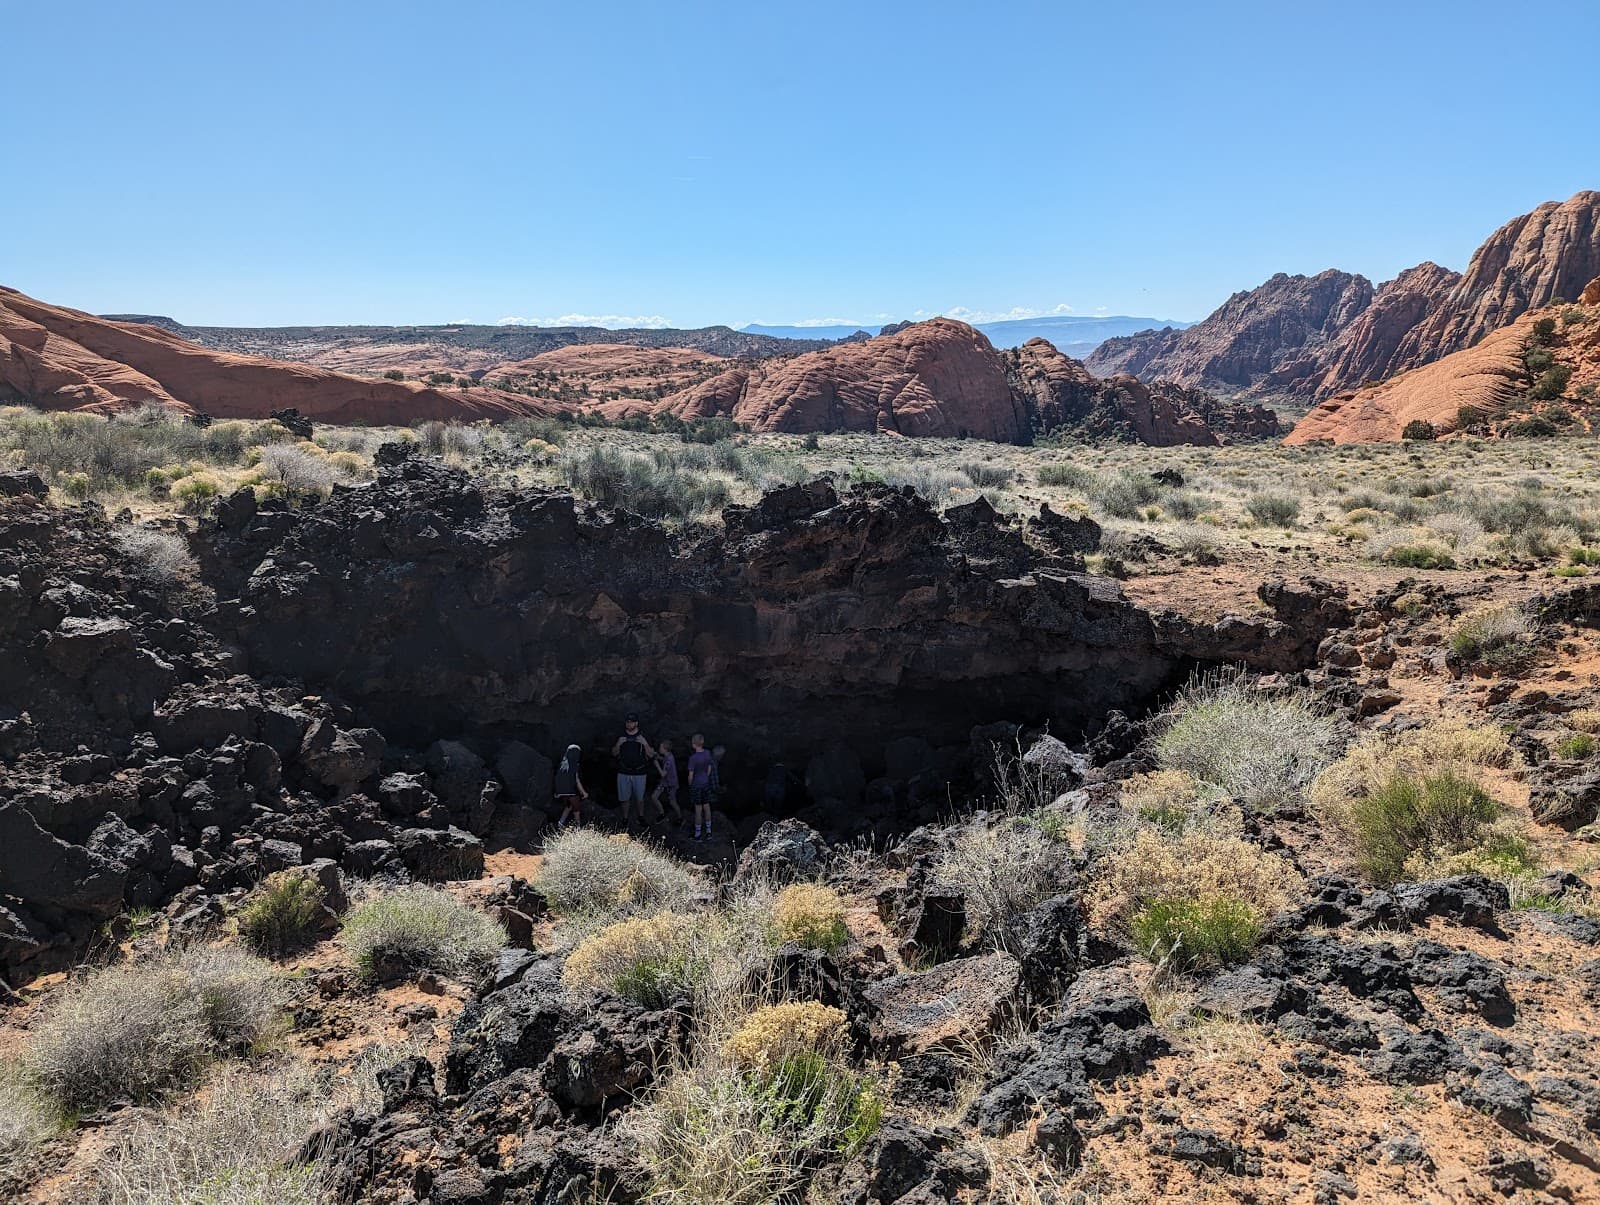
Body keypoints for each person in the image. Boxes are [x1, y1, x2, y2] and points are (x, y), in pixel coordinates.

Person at [612, 713, 655, 829]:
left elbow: (651, 755)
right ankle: (625, 818)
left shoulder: (644, 736)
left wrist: (644, 743)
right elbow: (614, 753)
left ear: (636, 723)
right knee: (624, 798)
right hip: (623, 771)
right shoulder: (620, 735)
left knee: (639, 798)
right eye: (627, 721)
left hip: (640, 772)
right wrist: (618, 744)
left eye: (631, 721)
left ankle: (641, 817)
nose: (629, 723)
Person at [686, 733, 714, 841]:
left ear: (694, 744)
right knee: (707, 807)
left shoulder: (693, 758)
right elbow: (709, 768)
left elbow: (690, 775)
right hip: (705, 783)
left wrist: (690, 785)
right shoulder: (707, 753)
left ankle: (697, 834)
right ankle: (708, 832)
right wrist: (705, 778)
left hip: (696, 785)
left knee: (698, 809)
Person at [553, 744, 588, 828]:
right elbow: (576, 780)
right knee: (576, 809)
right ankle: (578, 828)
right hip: (571, 791)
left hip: (561, 791)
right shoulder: (574, 764)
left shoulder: (562, 764)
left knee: (568, 806)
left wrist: (557, 791)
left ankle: (560, 823)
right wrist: (583, 792)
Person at [650, 738, 683, 825]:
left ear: (665, 749)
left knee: (672, 802)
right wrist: (657, 756)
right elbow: (663, 759)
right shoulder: (668, 755)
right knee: (654, 797)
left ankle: (681, 818)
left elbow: (663, 774)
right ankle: (662, 813)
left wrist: (656, 764)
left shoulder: (669, 760)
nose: (659, 748)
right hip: (664, 782)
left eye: (661, 747)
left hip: (671, 784)